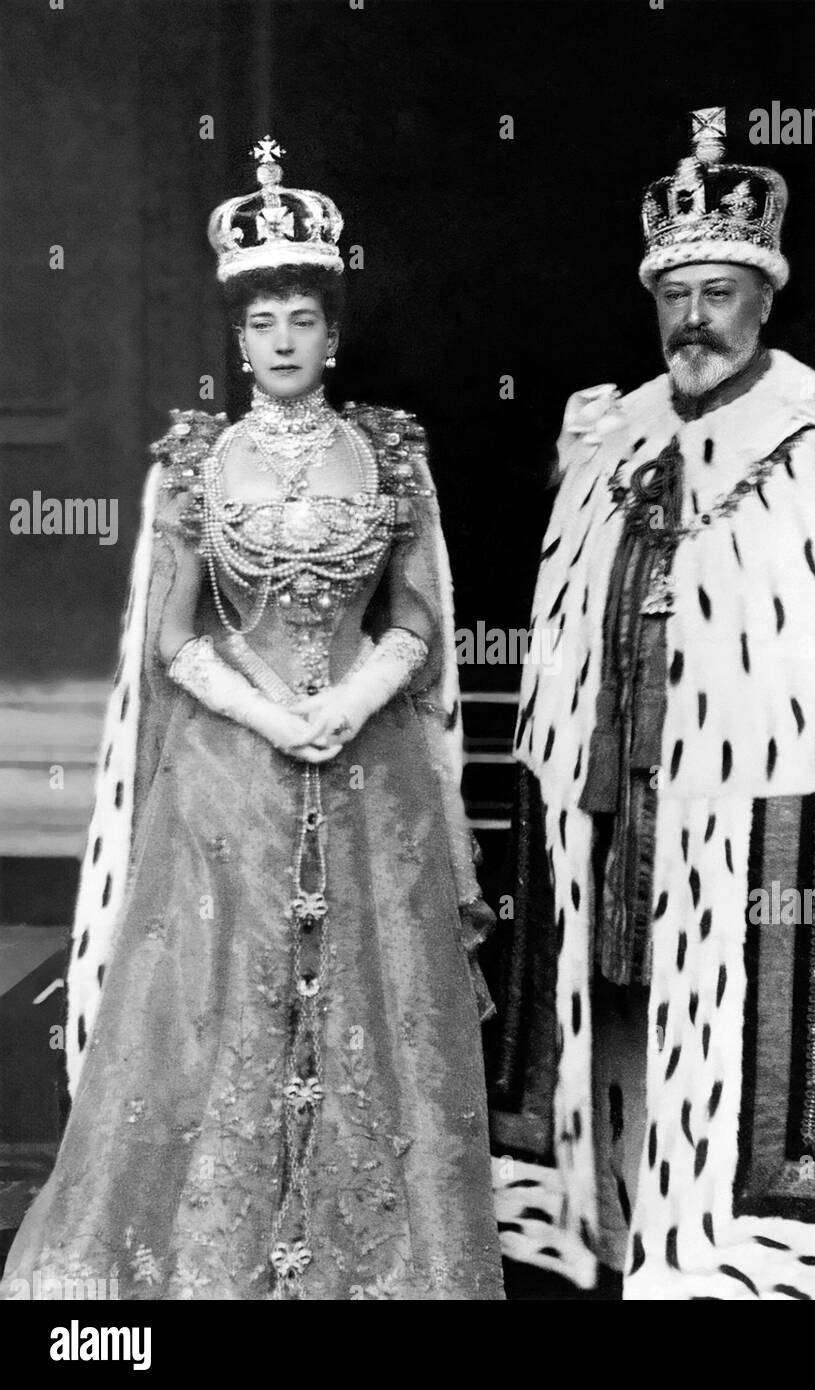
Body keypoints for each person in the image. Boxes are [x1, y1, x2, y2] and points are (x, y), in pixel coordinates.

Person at [492, 108, 815, 1299]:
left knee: (726, 1009)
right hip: (617, 794)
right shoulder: (611, 434)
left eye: (719, 292)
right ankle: (619, 1216)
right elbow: (568, 628)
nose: (693, 321)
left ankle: (737, 1237)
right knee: (616, 990)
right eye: (676, 296)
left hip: (759, 821)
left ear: (763, 299)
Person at [2, 137, 503, 1301]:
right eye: (262, 321)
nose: (281, 341)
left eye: (301, 320)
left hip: (375, 774)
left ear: (334, 334)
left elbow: (419, 623)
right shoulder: (193, 464)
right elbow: (172, 640)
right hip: (230, 775)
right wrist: (276, 720)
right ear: (239, 339)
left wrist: (349, 701)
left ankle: (369, 1254)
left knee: (378, 1005)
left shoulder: (390, 453)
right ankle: (221, 1252)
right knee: (229, 1000)